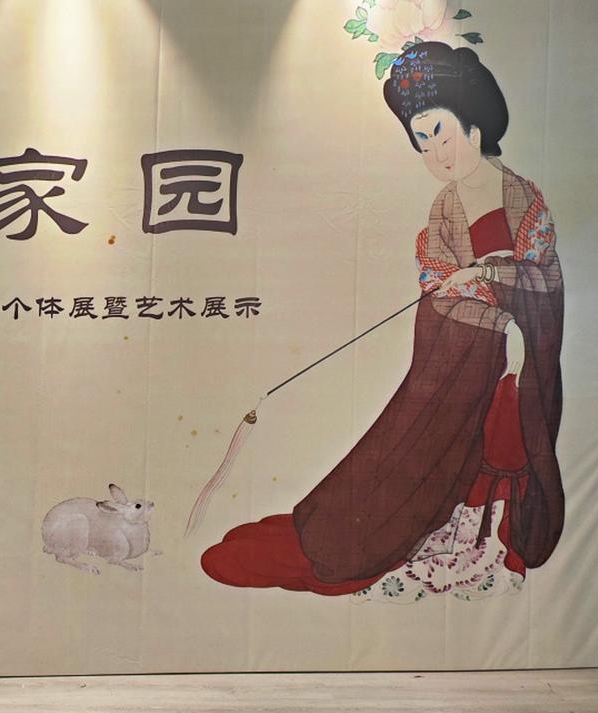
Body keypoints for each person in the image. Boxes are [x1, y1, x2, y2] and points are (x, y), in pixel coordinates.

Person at [201, 42, 565, 602]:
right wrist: (464, 285)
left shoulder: (523, 199)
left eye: (441, 133)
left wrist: (490, 278)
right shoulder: (446, 205)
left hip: (511, 354)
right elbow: (436, 272)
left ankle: (454, 538)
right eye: (422, 142)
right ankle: (346, 528)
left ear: (474, 127)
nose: (437, 153)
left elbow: (544, 279)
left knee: (478, 441)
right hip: (451, 347)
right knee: (405, 440)